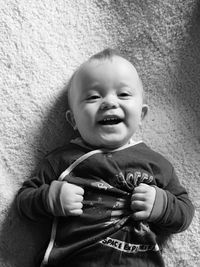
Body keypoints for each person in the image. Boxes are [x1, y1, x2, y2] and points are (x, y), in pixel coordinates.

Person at [17, 48, 194, 267]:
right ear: (73, 120)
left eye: (124, 94)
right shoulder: (63, 160)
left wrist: (161, 204)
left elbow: (185, 212)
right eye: (93, 96)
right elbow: (24, 200)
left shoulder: (156, 164)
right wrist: (51, 198)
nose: (109, 102)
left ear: (142, 115)